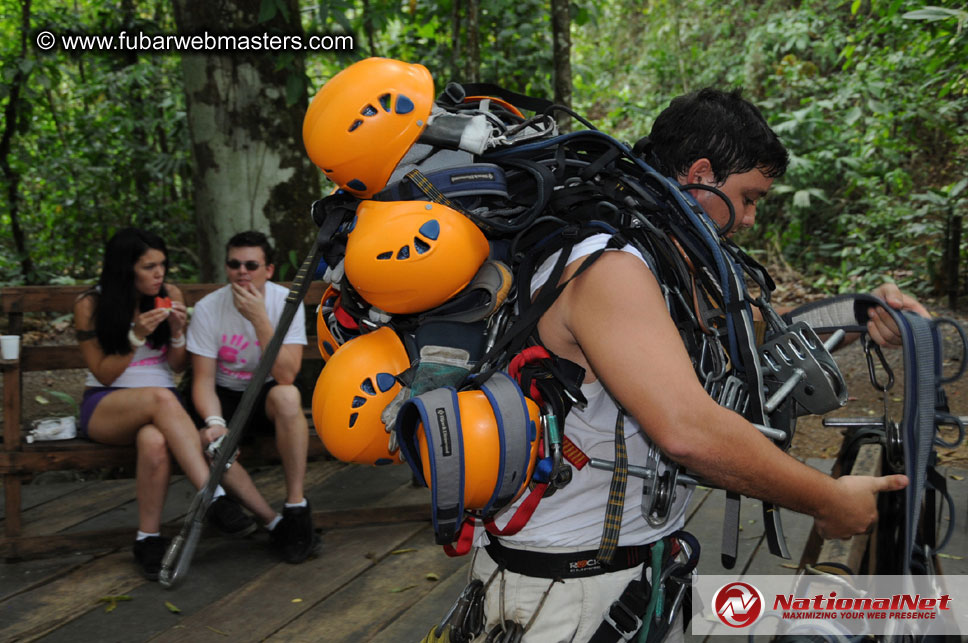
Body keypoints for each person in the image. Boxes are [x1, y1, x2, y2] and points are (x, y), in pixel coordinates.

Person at [465, 89, 924, 641]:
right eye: (748, 198)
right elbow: (687, 431)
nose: (750, 218)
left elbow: (745, 344)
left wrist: (860, 314)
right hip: (563, 597)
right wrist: (828, 501)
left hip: (632, 577)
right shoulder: (608, 267)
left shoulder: (660, 259)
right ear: (701, 174)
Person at [74, 228, 257, 581]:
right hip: (106, 407)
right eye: (149, 267)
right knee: (161, 398)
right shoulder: (90, 304)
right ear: (125, 269)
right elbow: (104, 374)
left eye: (162, 265)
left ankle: (148, 540)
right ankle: (213, 496)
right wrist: (136, 335)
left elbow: (176, 366)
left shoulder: (169, 294)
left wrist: (176, 332)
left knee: (154, 441)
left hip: (163, 411)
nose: (159, 274)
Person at [186, 230, 318, 564]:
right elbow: (203, 380)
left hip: (267, 393)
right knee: (211, 442)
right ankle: (273, 523)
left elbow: (286, 374)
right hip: (224, 397)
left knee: (288, 396)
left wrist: (259, 319)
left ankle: (296, 505)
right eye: (234, 264)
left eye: (251, 265)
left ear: (268, 270)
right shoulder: (208, 308)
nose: (242, 271)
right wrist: (215, 422)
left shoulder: (285, 302)